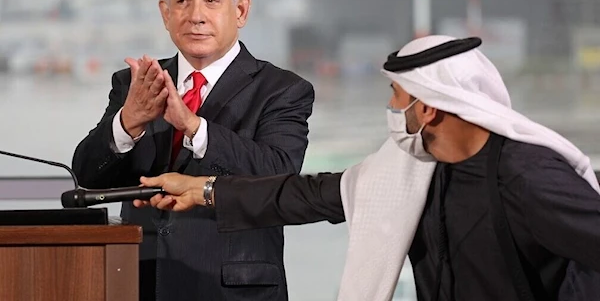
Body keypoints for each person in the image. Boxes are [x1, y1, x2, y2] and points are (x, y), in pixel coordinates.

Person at [136, 35, 600, 301]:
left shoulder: (528, 176)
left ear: (429, 109)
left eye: (398, 98)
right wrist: (204, 190)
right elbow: (308, 194)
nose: (391, 107)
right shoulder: (412, 168)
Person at [72, 0, 315, 300]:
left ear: (241, 10)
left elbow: (277, 177)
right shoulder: (136, 84)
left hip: (234, 289)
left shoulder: (283, 89)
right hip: (141, 283)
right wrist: (129, 122)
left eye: (211, 1)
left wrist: (194, 127)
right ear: (165, 13)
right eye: (182, 2)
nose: (196, 16)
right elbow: (86, 178)